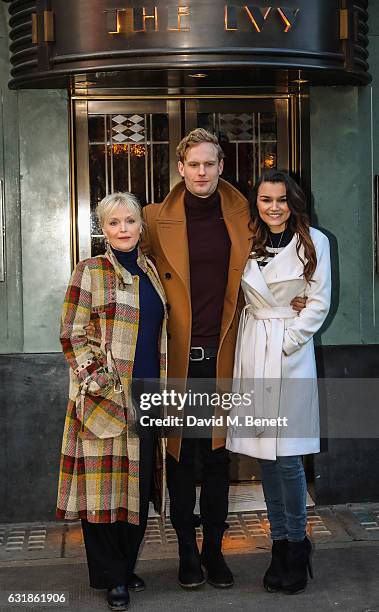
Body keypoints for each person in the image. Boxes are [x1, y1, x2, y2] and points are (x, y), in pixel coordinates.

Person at [141, 129, 305, 590]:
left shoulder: (245, 214)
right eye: (193, 164)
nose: (201, 172)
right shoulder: (154, 219)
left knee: (216, 459)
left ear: (221, 166)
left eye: (209, 164)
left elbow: (289, 249)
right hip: (178, 361)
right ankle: (186, 554)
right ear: (180, 167)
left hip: (227, 357)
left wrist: (298, 297)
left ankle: (214, 552)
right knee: (179, 458)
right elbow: (133, 269)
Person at [56, 192, 167, 611]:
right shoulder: (90, 271)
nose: (124, 229)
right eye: (114, 222)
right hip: (105, 397)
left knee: (137, 486)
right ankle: (111, 577)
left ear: (142, 226)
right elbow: (72, 332)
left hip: (149, 393)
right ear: (103, 229)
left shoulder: (151, 271)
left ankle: (125, 564)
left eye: (131, 221)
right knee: (102, 492)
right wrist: (100, 380)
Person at [226, 169, 331, 594]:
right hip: (253, 349)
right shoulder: (246, 240)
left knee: (287, 456)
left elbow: (318, 301)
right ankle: (278, 543)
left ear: (294, 202)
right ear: (257, 203)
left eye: (281, 199)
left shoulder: (314, 241)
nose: (273, 207)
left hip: (288, 353)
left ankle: (295, 544)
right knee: (263, 457)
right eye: (266, 199)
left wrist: (288, 340)